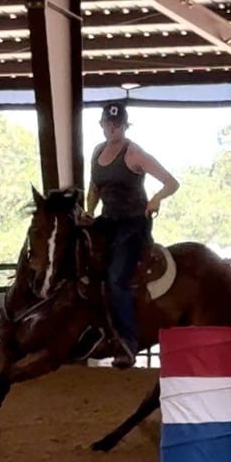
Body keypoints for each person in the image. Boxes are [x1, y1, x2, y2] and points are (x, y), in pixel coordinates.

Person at [85, 102, 180, 369]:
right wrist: (89, 212)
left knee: (117, 277)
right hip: (107, 220)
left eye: (117, 125)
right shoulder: (97, 151)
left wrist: (156, 199)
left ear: (125, 126)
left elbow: (171, 182)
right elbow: (94, 187)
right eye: (108, 124)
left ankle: (127, 341)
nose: (112, 129)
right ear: (102, 125)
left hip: (133, 223)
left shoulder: (135, 153)